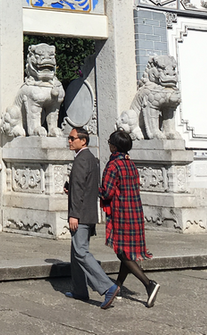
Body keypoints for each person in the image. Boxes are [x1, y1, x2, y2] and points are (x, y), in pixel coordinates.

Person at [101, 128, 160, 307]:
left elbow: (107, 192)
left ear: (115, 146)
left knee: (121, 251)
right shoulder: (130, 164)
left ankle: (149, 284)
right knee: (127, 251)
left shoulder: (113, 165)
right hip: (135, 211)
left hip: (121, 213)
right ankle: (118, 285)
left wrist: (94, 191)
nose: (109, 144)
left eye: (110, 141)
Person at [66, 126, 120, 308]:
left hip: (80, 214)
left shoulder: (82, 159)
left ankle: (108, 287)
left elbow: (80, 188)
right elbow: (85, 186)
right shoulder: (91, 159)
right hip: (88, 212)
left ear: (83, 140)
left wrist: (74, 215)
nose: (70, 141)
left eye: (73, 138)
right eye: (69, 138)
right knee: (76, 253)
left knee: (80, 251)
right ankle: (79, 289)